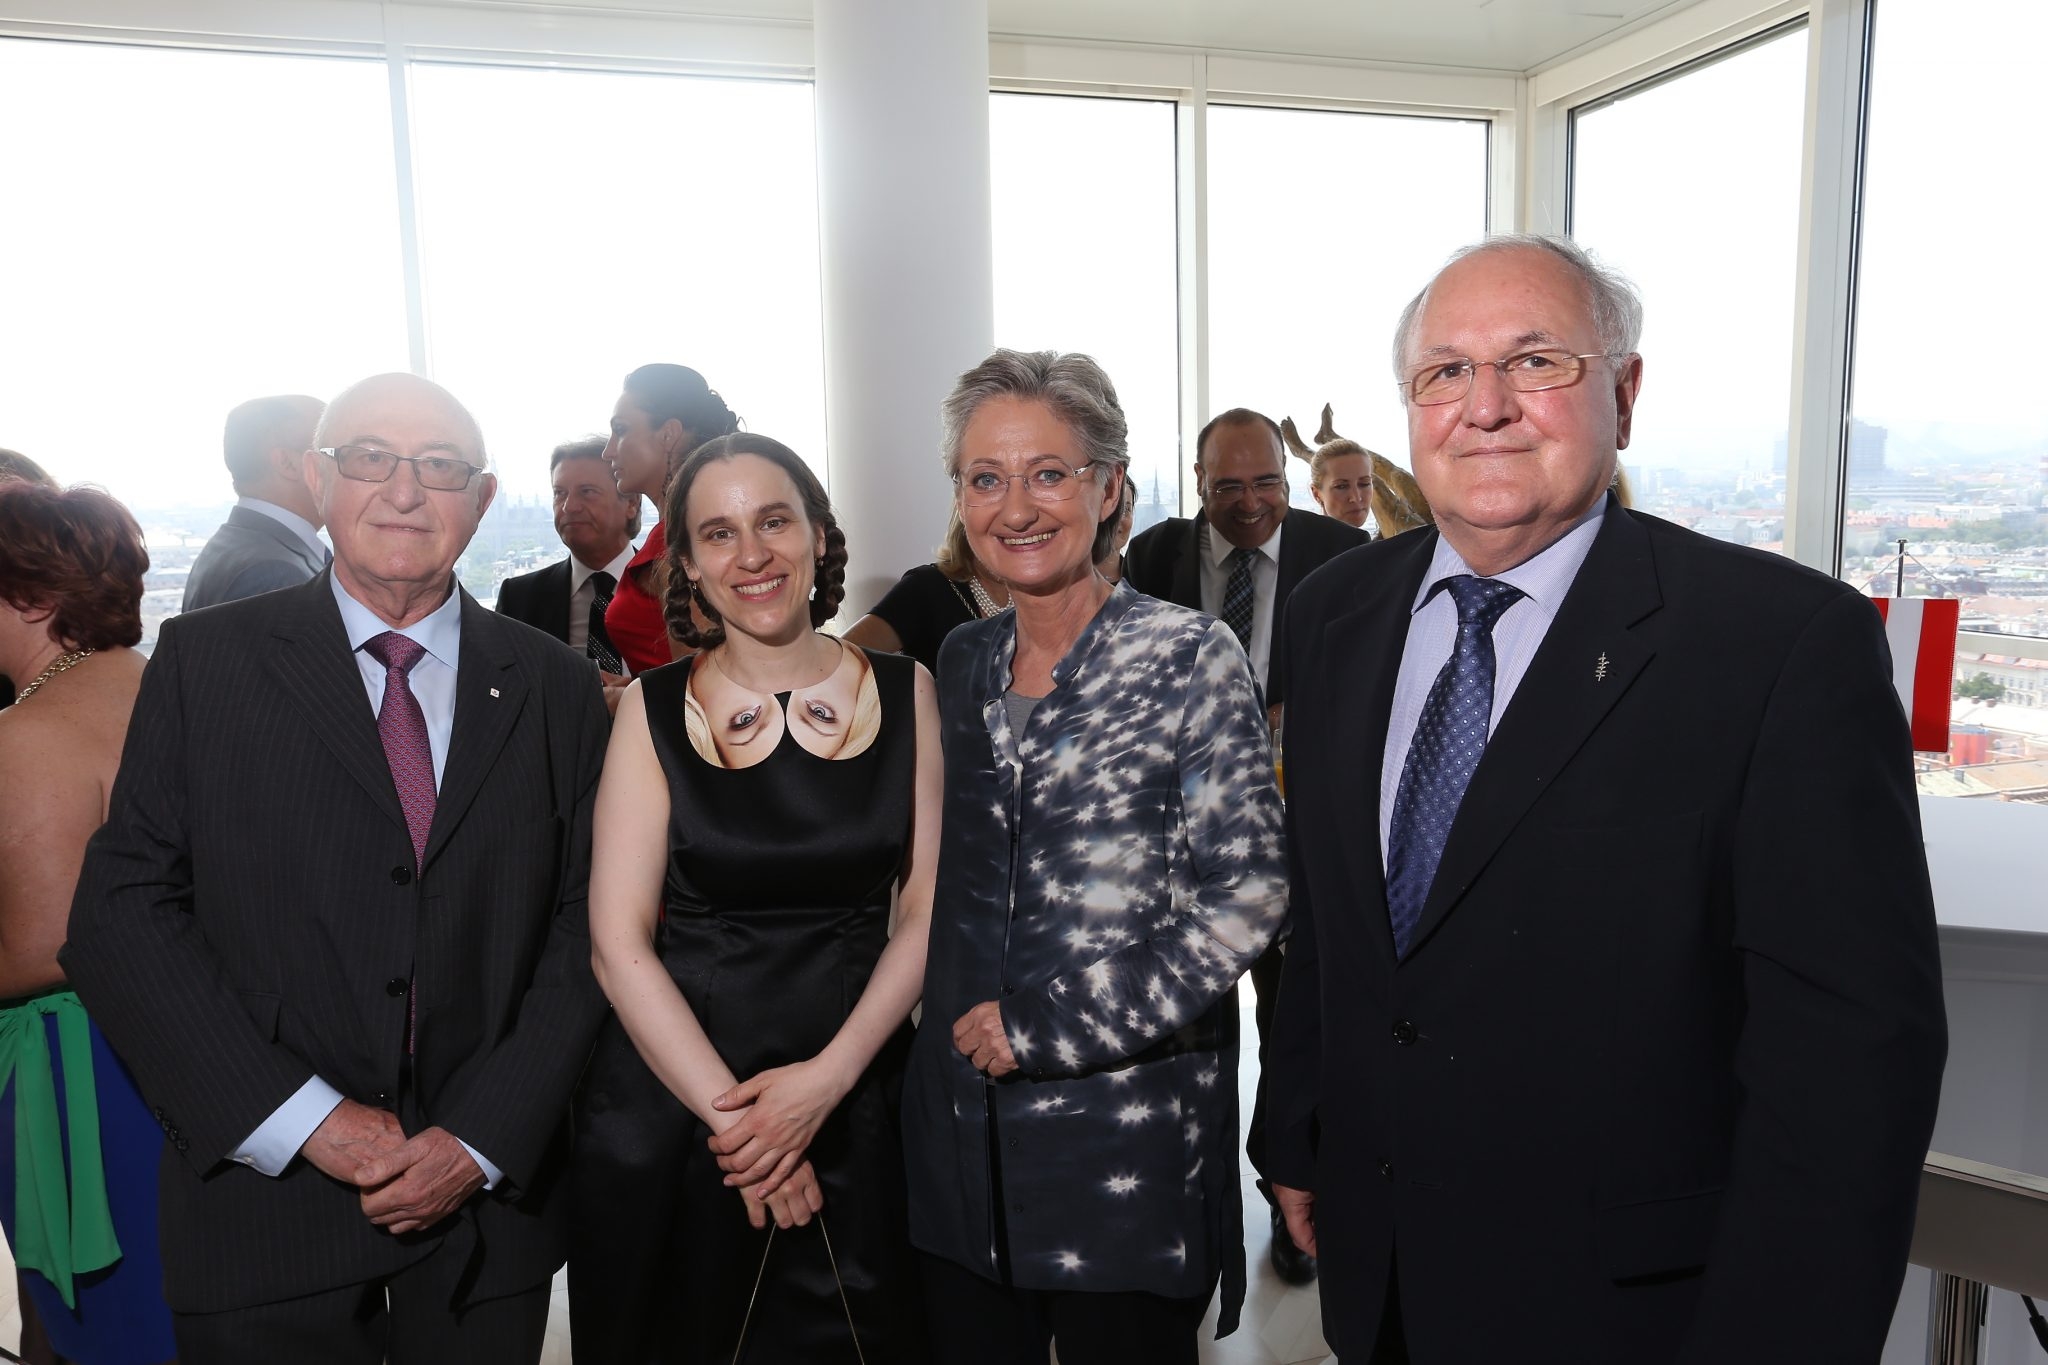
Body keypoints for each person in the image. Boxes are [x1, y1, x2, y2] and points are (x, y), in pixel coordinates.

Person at [1266, 235, 1947, 1364]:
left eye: (1535, 363)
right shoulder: (1336, 611)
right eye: (1443, 373)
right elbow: (1331, 923)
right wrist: (1296, 1127)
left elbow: (1846, 1064)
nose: (1483, 407)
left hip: (1631, 1311)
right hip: (1378, 1274)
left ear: (1622, 396)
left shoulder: (1776, 647)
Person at [61, 373, 613, 1365]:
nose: (404, 491)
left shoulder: (557, 688)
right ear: (318, 480)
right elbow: (121, 914)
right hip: (263, 1215)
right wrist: (306, 1121)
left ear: (481, 501)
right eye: (369, 458)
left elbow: (588, 930)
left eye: (440, 467)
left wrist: (477, 1138)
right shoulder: (204, 663)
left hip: (483, 1226)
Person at [903, 349, 1287, 1364]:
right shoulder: (962, 661)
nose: (1015, 506)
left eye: (1048, 473)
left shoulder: (1189, 656)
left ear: (1107, 488)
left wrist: (1050, 1027)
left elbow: (1247, 898)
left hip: (1121, 1148)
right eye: (985, 478)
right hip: (960, 1148)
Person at [575, 432, 940, 1363]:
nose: (753, 554)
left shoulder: (910, 693)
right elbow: (617, 945)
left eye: (774, 520)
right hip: (680, 1107)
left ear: (818, 533)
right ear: (687, 563)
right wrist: (748, 1134)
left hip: (861, 1094)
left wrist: (823, 1086)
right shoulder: (649, 711)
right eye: (720, 532)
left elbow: (926, 910)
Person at [1121, 405, 1368, 1286]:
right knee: (1184, 1032)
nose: (1250, 501)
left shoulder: (1340, 558)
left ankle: (1289, 1199)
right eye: (1229, 485)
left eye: (1266, 481)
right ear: (1199, 485)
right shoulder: (1149, 560)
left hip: (1299, 836)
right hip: (1175, 846)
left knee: (1295, 1019)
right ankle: (1185, 1210)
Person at [0, 481, 174, 1365]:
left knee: (111, 1324)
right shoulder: (159, 686)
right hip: (180, 1050)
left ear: (32, 596)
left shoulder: (28, 732)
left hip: (81, 1069)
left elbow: (41, 948)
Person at [601, 364, 742, 673]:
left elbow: (709, 686)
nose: (608, 451)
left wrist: (631, 700)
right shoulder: (677, 533)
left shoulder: (687, 542)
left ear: (668, 434)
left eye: (621, 430)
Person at [495, 435, 640, 708]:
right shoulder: (520, 598)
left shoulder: (674, 588)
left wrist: (639, 696)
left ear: (631, 503)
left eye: (587, 492)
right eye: (560, 493)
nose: (569, 506)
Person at [183, 394, 329, 611]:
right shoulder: (274, 573)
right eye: (329, 451)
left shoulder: (237, 547)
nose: (346, 465)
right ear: (287, 463)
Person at [841, 506, 1013, 674]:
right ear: (962, 513)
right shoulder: (926, 587)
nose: (1016, 523)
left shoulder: (1037, 592)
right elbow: (838, 664)